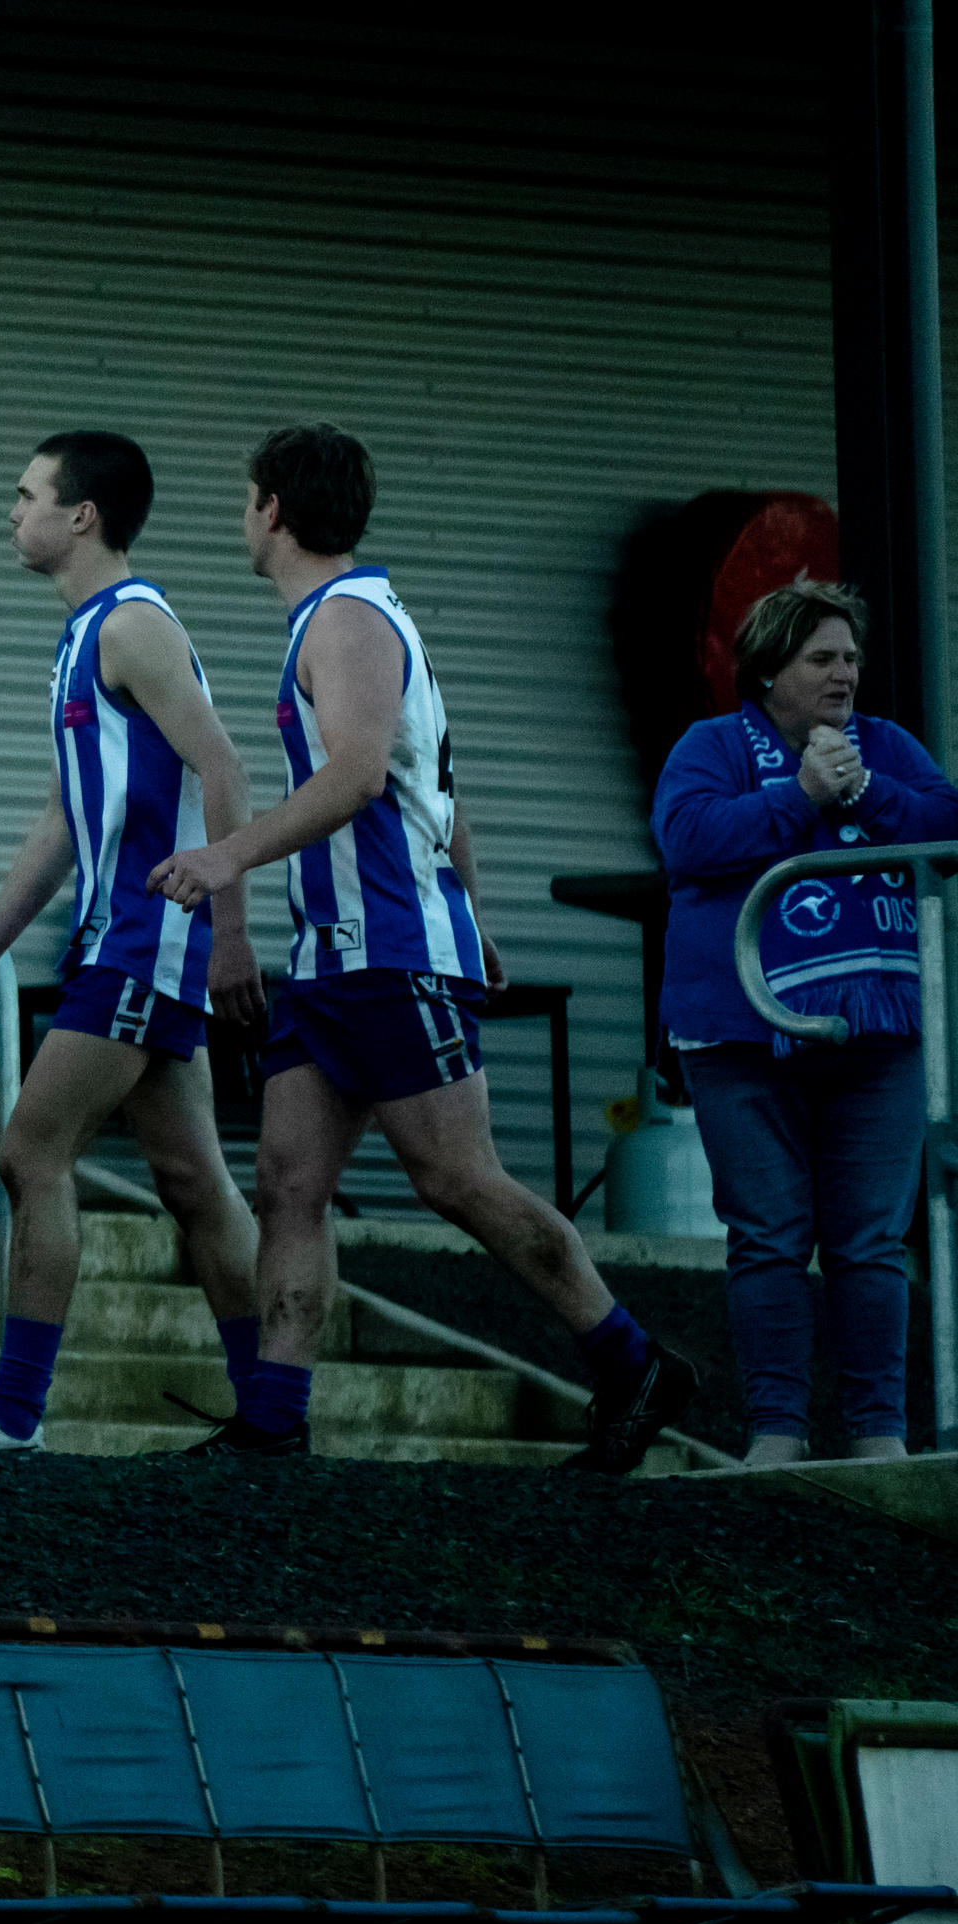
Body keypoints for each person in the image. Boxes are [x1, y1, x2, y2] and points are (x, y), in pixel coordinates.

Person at [151, 422, 693, 1468]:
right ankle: (273, 1417)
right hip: (336, 959)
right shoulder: (343, 616)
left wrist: (226, 858)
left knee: (455, 1178)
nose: (241, 518)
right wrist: (475, 912)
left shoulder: (348, 619)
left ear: (273, 508)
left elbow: (360, 775)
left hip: (391, 950)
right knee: (286, 1182)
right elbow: (440, 790)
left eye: (245, 500)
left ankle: (633, 1361)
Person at [0, 432, 269, 1452]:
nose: (11, 511)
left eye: (27, 494)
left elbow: (225, 768)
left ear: (81, 516)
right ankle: (273, 1411)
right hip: (123, 941)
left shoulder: (131, 626)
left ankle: (13, 1417)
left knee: (30, 1150)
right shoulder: (83, 635)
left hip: (143, 941)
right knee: (194, 1182)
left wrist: (230, 936)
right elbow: (60, 821)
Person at [650, 580, 949, 1463]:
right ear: (769, 670)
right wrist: (802, 794)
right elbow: (687, 838)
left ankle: (879, 1436)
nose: (844, 673)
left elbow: (948, 823)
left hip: (878, 1037)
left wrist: (868, 793)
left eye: (851, 656)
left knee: (872, 1243)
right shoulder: (710, 745)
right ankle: (775, 1435)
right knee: (769, 1239)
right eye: (821, 657)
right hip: (738, 1038)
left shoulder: (886, 745)